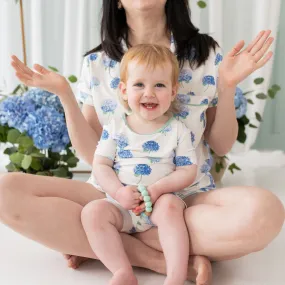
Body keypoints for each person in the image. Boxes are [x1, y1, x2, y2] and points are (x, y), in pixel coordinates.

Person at [1, 0, 284, 285]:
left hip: (183, 200)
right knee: (5, 191)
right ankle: (155, 259)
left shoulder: (205, 55)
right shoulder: (96, 63)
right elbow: (94, 154)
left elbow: (221, 146)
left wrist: (227, 87)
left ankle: (105, 243)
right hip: (112, 197)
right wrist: (65, 94)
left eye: (160, 86)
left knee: (265, 213)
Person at [81, 44, 198, 285]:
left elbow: (188, 170)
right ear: (123, 90)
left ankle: (175, 276)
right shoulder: (115, 126)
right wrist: (118, 192)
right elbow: (101, 165)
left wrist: (157, 190)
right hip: (121, 204)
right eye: (139, 85)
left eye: (160, 85)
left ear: (174, 91)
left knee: (171, 208)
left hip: (158, 204)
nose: (149, 93)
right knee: (92, 213)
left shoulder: (178, 130)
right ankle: (121, 271)